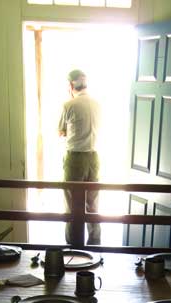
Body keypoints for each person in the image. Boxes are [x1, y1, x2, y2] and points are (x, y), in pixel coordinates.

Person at [58, 69, 101, 245]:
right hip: (94, 157)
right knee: (93, 205)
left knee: (72, 206)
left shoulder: (69, 105)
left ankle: (74, 249)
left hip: (75, 158)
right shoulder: (97, 104)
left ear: (70, 85)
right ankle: (95, 247)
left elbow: (61, 132)